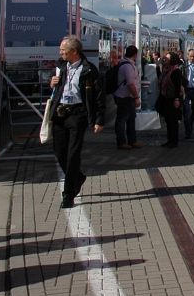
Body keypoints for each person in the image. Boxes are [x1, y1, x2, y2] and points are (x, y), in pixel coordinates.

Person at [49, 36, 105, 209]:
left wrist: (99, 119)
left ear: (74, 51)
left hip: (77, 113)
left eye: (63, 50)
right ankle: (78, 177)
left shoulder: (88, 70)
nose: (60, 53)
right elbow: (55, 90)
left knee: (73, 154)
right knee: (60, 152)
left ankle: (68, 195)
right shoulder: (60, 67)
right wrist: (51, 84)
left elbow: (99, 95)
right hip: (60, 113)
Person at [113, 45, 142, 150]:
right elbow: (130, 84)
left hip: (126, 96)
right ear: (135, 55)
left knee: (131, 119)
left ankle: (132, 140)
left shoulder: (125, 63)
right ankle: (122, 142)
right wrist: (136, 97)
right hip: (125, 97)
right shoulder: (128, 66)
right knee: (122, 119)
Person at [155, 51, 184, 148]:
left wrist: (177, 99)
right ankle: (169, 140)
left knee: (173, 121)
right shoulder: (165, 69)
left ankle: (174, 141)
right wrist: (157, 67)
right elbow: (160, 78)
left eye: (167, 58)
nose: (164, 59)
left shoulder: (175, 71)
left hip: (172, 99)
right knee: (168, 120)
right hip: (165, 97)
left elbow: (177, 86)